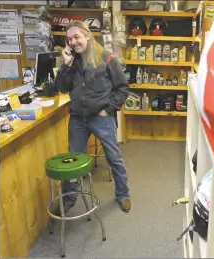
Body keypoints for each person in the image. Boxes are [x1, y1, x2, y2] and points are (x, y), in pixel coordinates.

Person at [53, 20, 131, 213]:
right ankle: (70, 197)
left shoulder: (107, 58)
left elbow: (122, 89)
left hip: (101, 117)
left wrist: (108, 110)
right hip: (78, 118)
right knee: (73, 159)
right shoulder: (71, 61)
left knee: (114, 157)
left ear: (87, 35)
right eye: (69, 39)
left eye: (76, 37)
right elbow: (61, 87)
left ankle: (123, 194)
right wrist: (66, 65)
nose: (73, 42)